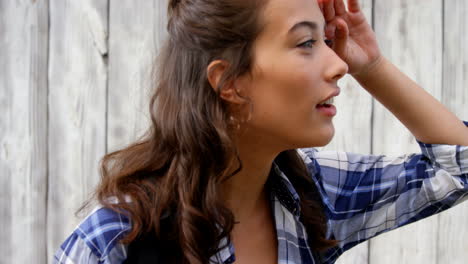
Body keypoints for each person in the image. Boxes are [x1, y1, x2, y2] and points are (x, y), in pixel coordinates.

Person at [53, 0, 468, 263]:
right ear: (229, 81)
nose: (338, 63)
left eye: (326, 39)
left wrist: (373, 66)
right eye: (307, 43)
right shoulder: (117, 240)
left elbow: (458, 169)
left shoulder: (317, 196)